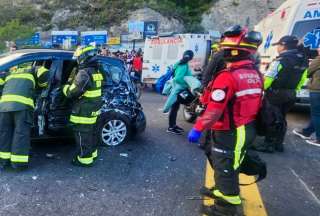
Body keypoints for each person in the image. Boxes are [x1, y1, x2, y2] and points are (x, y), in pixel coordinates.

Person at [188, 25, 263, 216]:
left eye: (225, 50)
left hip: (231, 129)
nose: (222, 53)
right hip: (244, 126)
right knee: (224, 163)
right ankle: (221, 190)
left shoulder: (228, 77)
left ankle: (226, 208)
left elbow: (214, 111)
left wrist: (197, 128)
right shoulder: (254, 74)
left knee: (226, 166)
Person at [255, 35, 309, 153]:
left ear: (283, 46)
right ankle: (279, 144)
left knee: (271, 119)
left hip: (276, 94)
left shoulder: (281, 60)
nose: (277, 48)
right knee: (282, 118)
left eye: (278, 45)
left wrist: (261, 89)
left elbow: (269, 78)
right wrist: (294, 90)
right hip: (291, 93)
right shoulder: (303, 58)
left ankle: (268, 145)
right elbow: (303, 78)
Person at [0, 63, 49, 170]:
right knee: (20, 134)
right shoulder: (34, 69)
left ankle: (4, 162)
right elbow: (45, 74)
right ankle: (18, 164)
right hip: (22, 107)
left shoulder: (10, 72)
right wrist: (42, 85)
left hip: (4, 107)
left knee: (5, 134)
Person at [62, 46, 104, 167]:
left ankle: (84, 160)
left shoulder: (84, 73)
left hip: (85, 110)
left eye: (79, 58)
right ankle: (92, 154)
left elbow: (72, 92)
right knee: (93, 133)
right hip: (94, 107)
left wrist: (64, 88)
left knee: (83, 134)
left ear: (84, 57)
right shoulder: (97, 71)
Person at [293, 48, 320, 146]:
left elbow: (308, 72)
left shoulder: (319, 59)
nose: (318, 49)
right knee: (317, 114)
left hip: (317, 90)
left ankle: (319, 139)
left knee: (317, 114)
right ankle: (306, 132)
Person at [167, 50, 194, 135]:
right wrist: (186, 84)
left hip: (177, 88)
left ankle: (173, 125)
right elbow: (178, 78)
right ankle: (171, 127)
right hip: (178, 89)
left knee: (175, 107)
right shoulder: (183, 65)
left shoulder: (181, 63)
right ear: (191, 57)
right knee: (174, 108)